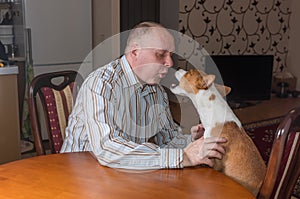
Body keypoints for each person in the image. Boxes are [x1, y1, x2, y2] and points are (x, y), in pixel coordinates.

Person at [60, 21, 227, 169]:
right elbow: (106, 149)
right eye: (161, 54)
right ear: (135, 52)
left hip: (120, 173)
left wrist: (192, 141)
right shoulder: (102, 84)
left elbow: (167, 140)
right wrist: (183, 157)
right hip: (79, 172)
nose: (170, 63)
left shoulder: (157, 91)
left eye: (171, 55)